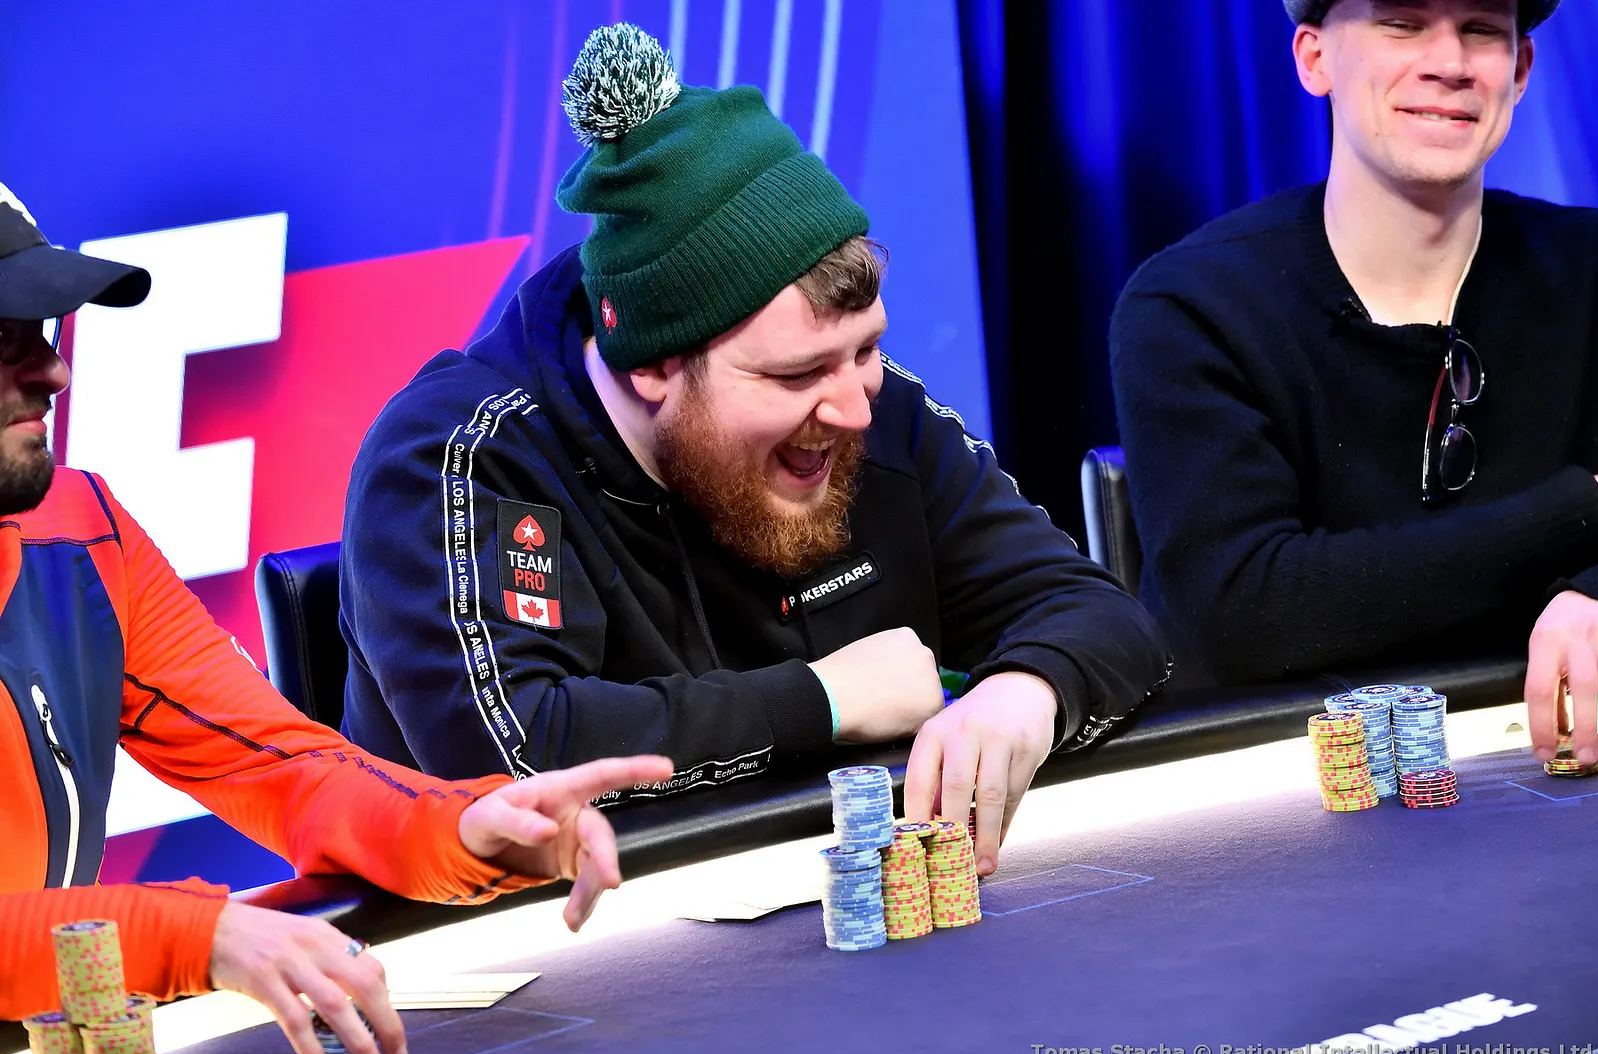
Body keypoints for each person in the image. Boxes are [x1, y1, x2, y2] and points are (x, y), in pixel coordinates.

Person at [341, 25, 1171, 879]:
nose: (853, 407)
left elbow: (1097, 612)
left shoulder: (873, 411)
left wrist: (1029, 688)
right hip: (534, 944)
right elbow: (515, 760)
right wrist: (824, 699)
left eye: (865, 348)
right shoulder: (458, 460)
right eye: (797, 373)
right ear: (654, 366)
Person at [0, 183, 673, 1054]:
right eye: (5, 341)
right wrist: (199, 933)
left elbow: (280, 764)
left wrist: (463, 826)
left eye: (44, 333)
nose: (53, 372)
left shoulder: (78, 524)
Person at [1109, 0, 1597, 757]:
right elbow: (1247, 617)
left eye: (1480, 30)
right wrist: (1580, 510)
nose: (1450, 63)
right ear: (1314, 59)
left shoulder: (1590, 267)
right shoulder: (1190, 306)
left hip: (1548, 760)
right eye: (1402, 24)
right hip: (1284, 784)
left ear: (1522, 69)